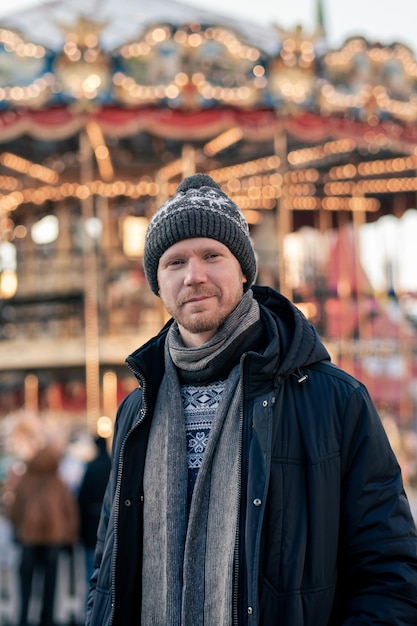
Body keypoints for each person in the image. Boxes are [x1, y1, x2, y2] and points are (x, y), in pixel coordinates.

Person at [85, 173, 417, 626]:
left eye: (211, 256)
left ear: (243, 269)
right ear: (157, 283)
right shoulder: (135, 409)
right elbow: (109, 562)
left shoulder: (333, 400)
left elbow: (389, 566)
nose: (194, 276)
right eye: (175, 262)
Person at [9, 444, 79, 626]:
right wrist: (70, 536)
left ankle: (23, 618)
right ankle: (46, 620)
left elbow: (14, 511)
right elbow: (69, 512)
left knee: (26, 584)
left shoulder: (26, 482)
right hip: (53, 540)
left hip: (28, 539)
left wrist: (19, 527)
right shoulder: (58, 483)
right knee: (50, 585)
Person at [77, 436, 111, 584]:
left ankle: (90, 606)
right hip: (111, 524)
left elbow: (82, 500)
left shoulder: (91, 468)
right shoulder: (113, 465)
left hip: (92, 527)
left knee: (92, 573)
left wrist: (81, 532)